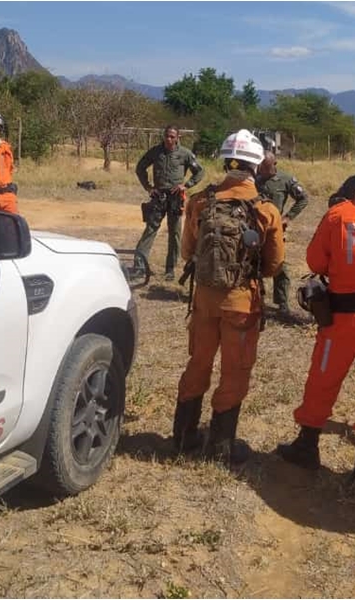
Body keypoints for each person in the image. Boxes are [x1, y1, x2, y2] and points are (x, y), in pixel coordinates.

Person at [172, 130, 285, 465]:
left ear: (225, 160)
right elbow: (274, 265)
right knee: (235, 371)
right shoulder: (265, 210)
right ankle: (220, 446)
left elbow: (187, 252)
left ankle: (183, 437)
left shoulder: (200, 200)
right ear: (256, 164)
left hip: (204, 300)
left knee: (199, 362)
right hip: (241, 303)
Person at [276, 176, 355, 482]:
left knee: (323, 378)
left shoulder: (339, 215)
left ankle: (307, 445)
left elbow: (315, 260)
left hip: (344, 318)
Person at [135, 125, 205, 280]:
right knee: (150, 230)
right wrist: (148, 187)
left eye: (172, 136)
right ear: (163, 136)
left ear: (178, 137)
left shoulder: (185, 154)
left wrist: (185, 185)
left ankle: (170, 269)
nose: (169, 139)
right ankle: (139, 266)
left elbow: (200, 171)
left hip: (175, 197)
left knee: (174, 233)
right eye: (167, 136)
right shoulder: (155, 152)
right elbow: (140, 168)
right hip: (158, 196)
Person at [256, 151, 310, 313]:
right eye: (262, 167)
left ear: (274, 164)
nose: (263, 170)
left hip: (275, 229)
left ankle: (282, 302)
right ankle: (256, 298)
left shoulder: (285, 179)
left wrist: (288, 217)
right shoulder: (255, 180)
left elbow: (303, 198)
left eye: (267, 166)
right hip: (255, 227)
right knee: (253, 263)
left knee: (279, 264)